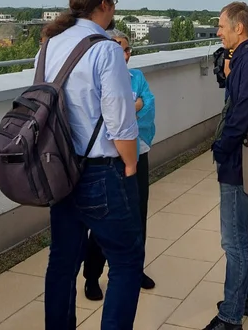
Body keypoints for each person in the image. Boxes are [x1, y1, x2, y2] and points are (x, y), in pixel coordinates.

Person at [40, 0, 144, 330]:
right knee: (127, 260)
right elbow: (120, 119)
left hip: (57, 166)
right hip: (100, 171)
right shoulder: (106, 49)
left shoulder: (49, 45)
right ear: (104, 5)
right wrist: (131, 163)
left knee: (62, 261)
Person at [207, 2, 248, 330]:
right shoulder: (247, 58)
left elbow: (241, 113)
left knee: (234, 240)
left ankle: (231, 316)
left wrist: (221, 148)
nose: (218, 31)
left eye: (221, 26)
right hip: (244, 157)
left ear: (239, 28)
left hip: (239, 159)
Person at [83, 31, 157, 299]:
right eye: (116, 48)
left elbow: (148, 105)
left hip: (138, 154)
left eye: (125, 49)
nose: (121, 54)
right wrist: (131, 106)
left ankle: (135, 269)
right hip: (110, 159)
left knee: (138, 215)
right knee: (106, 220)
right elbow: (104, 115)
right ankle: (92, 275)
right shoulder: (98, 78)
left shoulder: (137, 78)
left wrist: (131, 108)